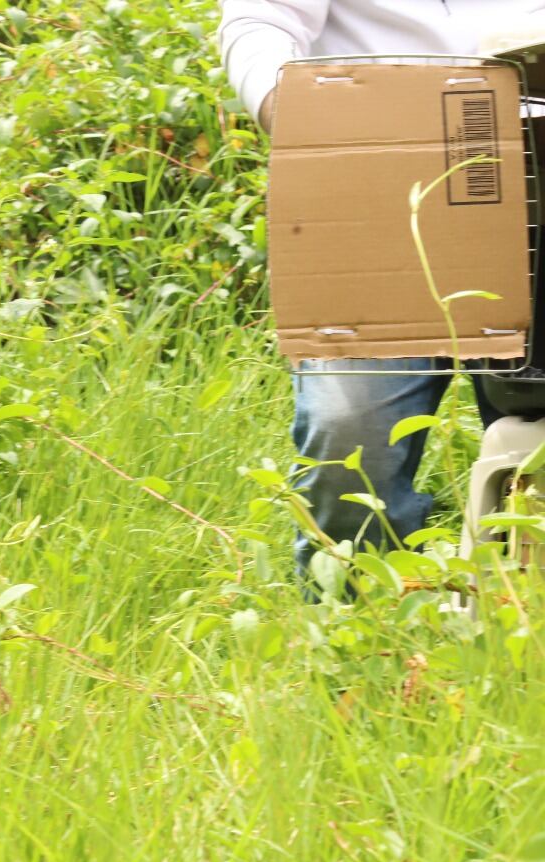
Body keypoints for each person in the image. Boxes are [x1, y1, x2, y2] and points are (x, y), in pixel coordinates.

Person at [219, 0, 544, 580]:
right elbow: (259, 21)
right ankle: (366, 621)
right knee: (350, 429)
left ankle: (518, 612)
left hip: (532, 188)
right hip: (374, 200)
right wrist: (302, 117)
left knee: (536, 442)